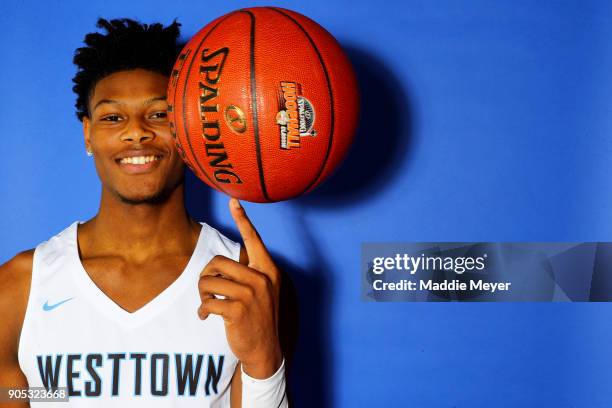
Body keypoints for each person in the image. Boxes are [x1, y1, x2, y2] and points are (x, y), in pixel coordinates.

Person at [0, 18, 287, 407]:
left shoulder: (248, 279)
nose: (136, 132)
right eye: (113, 117)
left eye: (158, 114)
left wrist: (263, 361)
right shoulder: (20, 286)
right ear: (88, 135)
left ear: (188, 128)